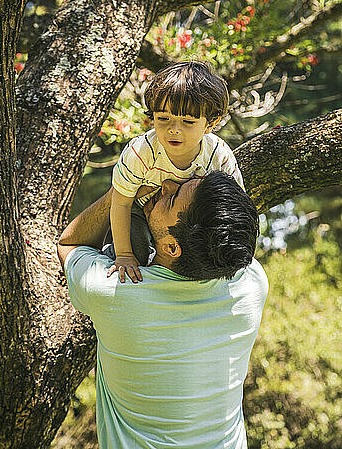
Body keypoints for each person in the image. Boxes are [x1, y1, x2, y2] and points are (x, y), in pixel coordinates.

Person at [57, 171, 268, 449]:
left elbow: (70, 243)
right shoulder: (251, 286)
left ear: (172, 246)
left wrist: (122, 192)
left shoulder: (118, 291)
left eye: (170, 199)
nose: (167, 184)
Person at [109, 61, 244, 282]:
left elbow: (234, 206)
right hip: (139, 214)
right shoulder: (141, 152)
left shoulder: (218, 155)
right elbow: (121, 203)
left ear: (210, 123)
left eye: (188, 121)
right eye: (163, 119)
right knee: (136, 253)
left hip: (188, 226)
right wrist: (124, 255)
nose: (173, 129)